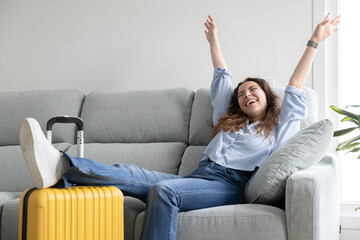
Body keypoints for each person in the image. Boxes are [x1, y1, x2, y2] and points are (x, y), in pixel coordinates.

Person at [18, 13, 340, 240]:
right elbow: (222, 75)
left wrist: (314, 40)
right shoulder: (226, 121)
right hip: (198, 176)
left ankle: (62, 168)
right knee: (130, 173)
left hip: (231, 186)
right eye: (242, 93)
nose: (246, 94)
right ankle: (61, 165)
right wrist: (214, 40)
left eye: (253, 89)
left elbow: (296, 85)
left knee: (164, 192)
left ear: (268, 96)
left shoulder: (280, 127)